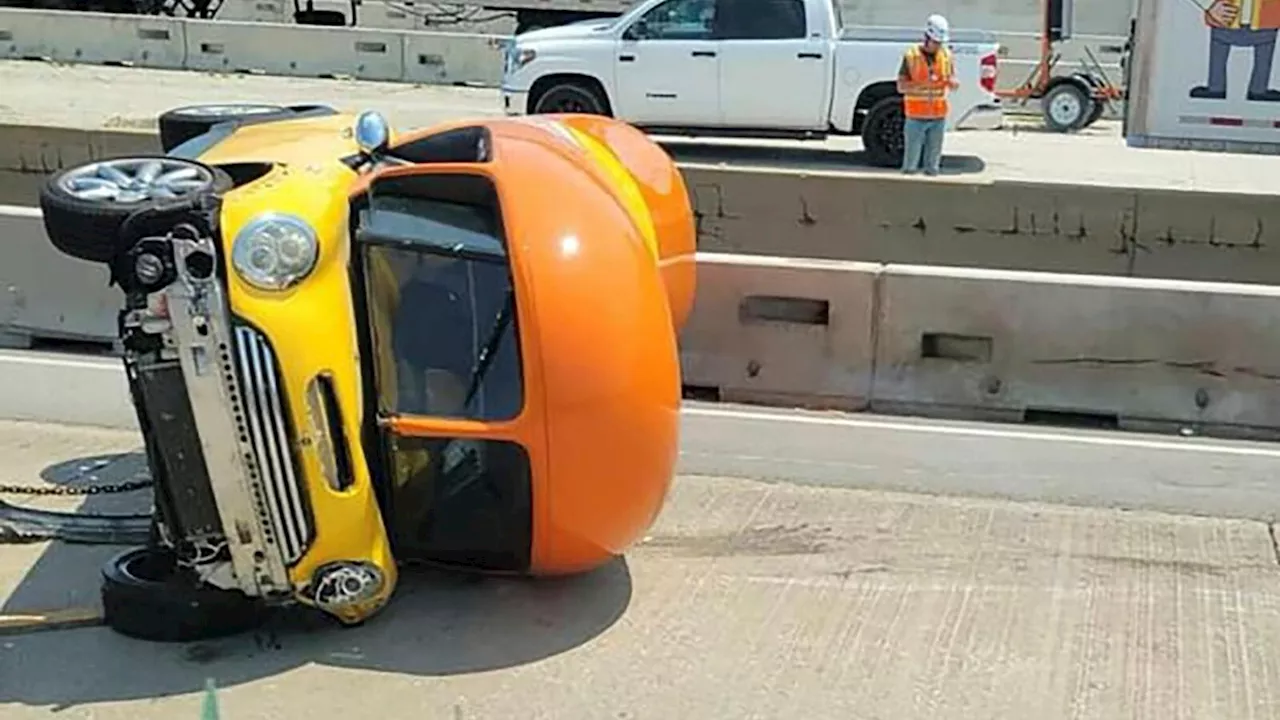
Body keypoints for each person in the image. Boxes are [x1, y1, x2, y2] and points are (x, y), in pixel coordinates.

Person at [897, 14, 960, 176]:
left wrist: (953, 83)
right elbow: (901, 86)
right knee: (911, 163)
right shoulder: (911, 57)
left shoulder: (946, 56)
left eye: (940, 43)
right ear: (926, 38)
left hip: (938, 116)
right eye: (935, 42)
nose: (938, 46)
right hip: (915, 116)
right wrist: (923, 85)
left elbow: (952, 78)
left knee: (933, 166)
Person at [1188, 0, 1280, 102]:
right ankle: (1216, 88)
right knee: (1219, 50)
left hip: (1266, 19)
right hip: (1225, 16)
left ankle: (1259, 89)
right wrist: (1209, 5)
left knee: (1264, 52)